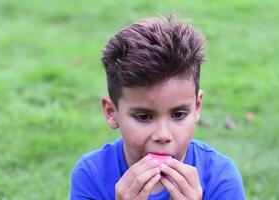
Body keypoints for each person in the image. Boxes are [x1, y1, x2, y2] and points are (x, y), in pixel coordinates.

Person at [70, 15, 246, 200]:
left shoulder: (220, 177)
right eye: (144, 117)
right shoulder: (91, 174)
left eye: (178, 114)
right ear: (112, 113)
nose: (163, 135)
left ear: (197, 107)